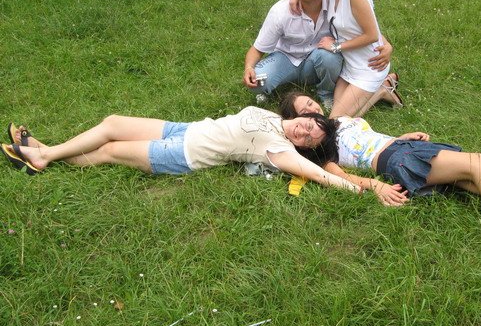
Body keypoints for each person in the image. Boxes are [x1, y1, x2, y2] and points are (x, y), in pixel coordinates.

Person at [279, 92, 481, 252]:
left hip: (403, 148)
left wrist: (403, 137)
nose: (311, 113)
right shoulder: (325, 152)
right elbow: (341, 175)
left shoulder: (341, 122)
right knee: (478, 163)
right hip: (397, 161)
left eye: (310, 105)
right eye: (302, 114)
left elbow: (371, 139)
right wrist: (375, 186)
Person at [1, 107, 361, 195]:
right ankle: (46, 151)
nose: (304, 132)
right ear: (304, 115)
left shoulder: (280, 149)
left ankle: (43, 156)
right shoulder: (273, 117)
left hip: (184, 154)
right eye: (309, 125)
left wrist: (363, 188)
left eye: (309, 140)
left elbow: (318, 174)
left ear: (302, 147)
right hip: (185, 129)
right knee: (112, 122)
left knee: (110, 149)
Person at [243, 0, 396, 111]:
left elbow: (362, 27)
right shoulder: (280, 12)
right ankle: (267, 88)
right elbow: (257, 49)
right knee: (258, 82)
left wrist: (386, 45)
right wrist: (249, 67)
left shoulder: (334, 1)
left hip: (318, 58)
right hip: (286, 58)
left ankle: (326, 93)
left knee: (330, 58)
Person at [314, 0, 402, 118]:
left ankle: (381, 91)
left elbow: (372, 34)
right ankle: (384, 86)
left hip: (369, 67)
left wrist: (336, 47)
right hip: (351, 66)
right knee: (339, 114)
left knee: (336, 121)